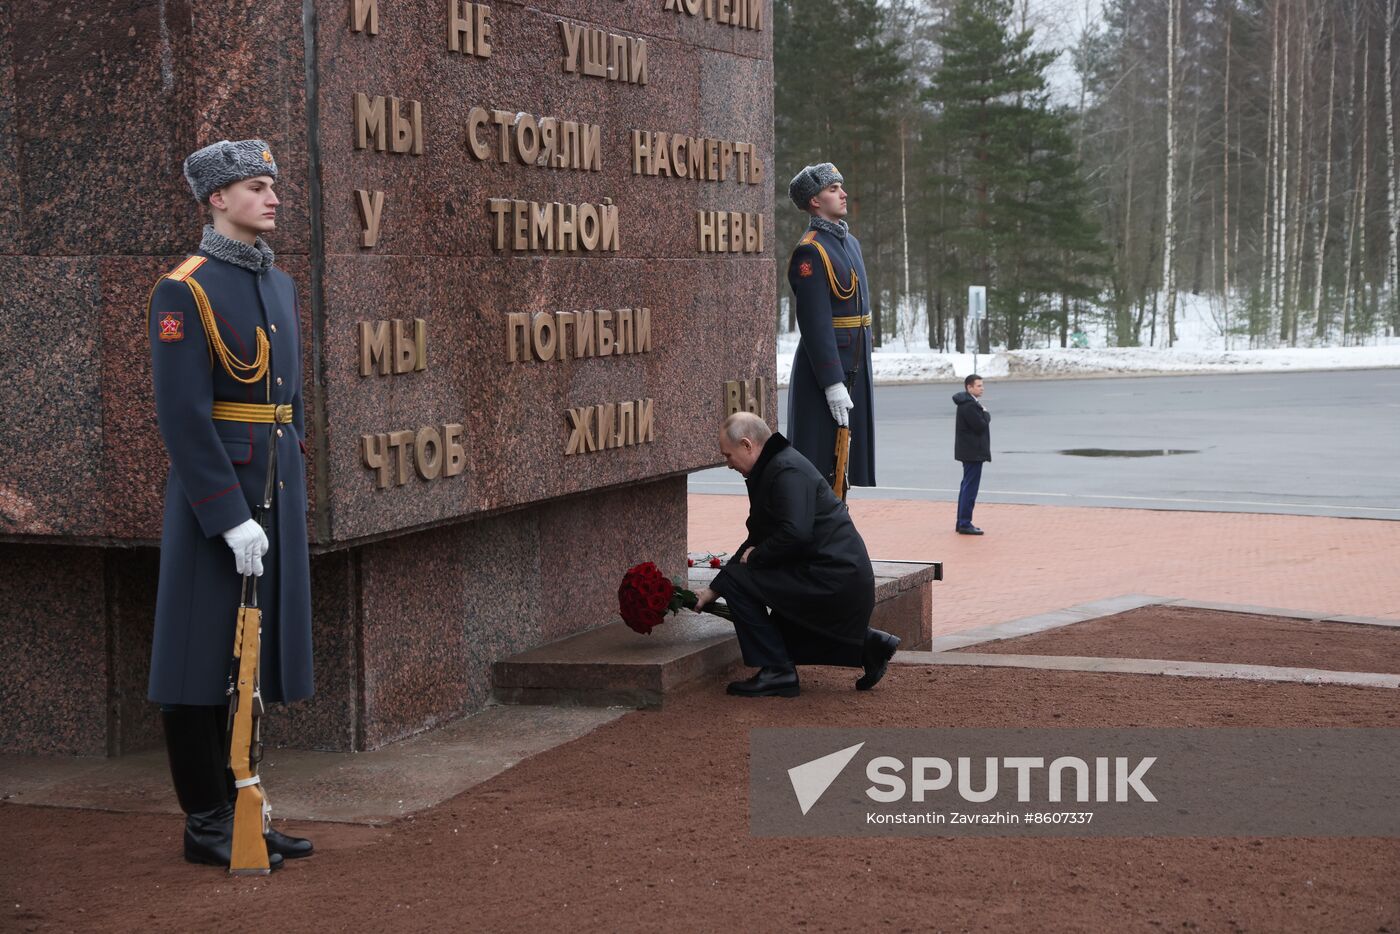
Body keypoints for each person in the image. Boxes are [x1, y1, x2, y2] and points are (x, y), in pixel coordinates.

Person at [147, 139, 314, 868]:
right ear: (216, 199)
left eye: (273, 184)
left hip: (275, 490)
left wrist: (292, 467)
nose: (272, 196)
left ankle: (245, 798)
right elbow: (183, 415)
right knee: (197, 662)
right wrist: (226, 514)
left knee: (249, 658)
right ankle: (206, 819)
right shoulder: (184, 288)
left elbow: (289, 399)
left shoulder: (277, 284)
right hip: (217, 500)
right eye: (255, 186)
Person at [694, 413, 900, 697]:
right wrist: (712, 590)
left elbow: (795, 533)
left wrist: (754, 559)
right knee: (756, 604)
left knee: (743, 584)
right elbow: (759, 537)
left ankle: (777, 671)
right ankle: (869, 646)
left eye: (728, 456)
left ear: (747, 445)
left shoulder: (785, 471)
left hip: (835, 581)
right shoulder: (775, 467)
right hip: (832, 575)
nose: (727, 463)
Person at [784, 162, 875, 489]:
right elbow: (815, 322)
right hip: (826, 372)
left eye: (841, 186)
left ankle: (835, 527)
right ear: (814, 201)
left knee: (844, 465)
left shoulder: (850, 244)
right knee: (821, 465)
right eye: (833, 189)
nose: (843, 193)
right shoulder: (811, 250)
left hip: (853, 365)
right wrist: (832, 382)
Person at [953, 374, 991, 535]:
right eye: (978, 386)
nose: (982, 388)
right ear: (969, 387)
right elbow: (980, 425)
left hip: (970, 452)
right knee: (970, 488)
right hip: (973, 453)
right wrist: (986, 414)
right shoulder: (969, 405)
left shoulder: (969, 403)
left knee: (966, 486)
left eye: (982, 385)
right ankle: (964, 522)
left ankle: (961, 521)